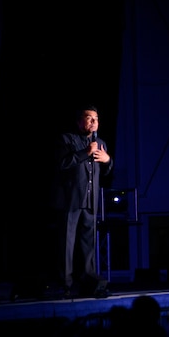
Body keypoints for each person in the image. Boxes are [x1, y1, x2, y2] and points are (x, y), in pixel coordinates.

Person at [53, 105, 113, 297]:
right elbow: (62, 164)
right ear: (80, 121)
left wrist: (107, 160)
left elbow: (108, 170)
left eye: (96, 118)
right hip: (71, 200)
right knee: (67, 243)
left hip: (90, 200)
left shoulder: (101, 142)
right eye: (89, 118)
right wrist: (85, 153)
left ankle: (89, 280)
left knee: (88, 243)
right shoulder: (67, 139)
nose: (94, 121)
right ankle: (66, 284)